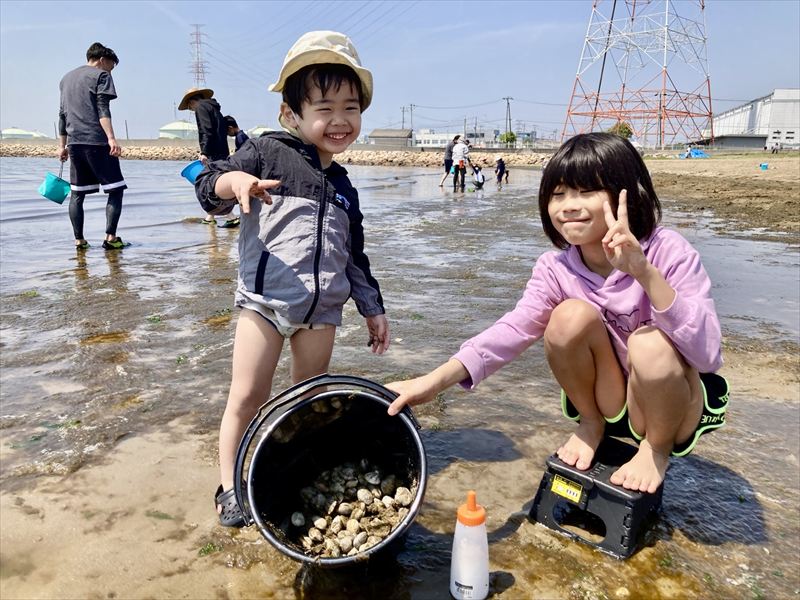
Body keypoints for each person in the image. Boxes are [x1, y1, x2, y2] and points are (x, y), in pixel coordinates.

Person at [386, 132, 729, 495]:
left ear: (628, 192)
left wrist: (644, 273)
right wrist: (434, 382)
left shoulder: (668, 250)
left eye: (586, 191)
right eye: (558, 193)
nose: (568, 206)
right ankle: (591, 425)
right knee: (567, 317)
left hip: (671, 406)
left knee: (649, 343)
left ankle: (654, 451)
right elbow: (512, 330)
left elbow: (707, 355)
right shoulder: (555, 268)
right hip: (611, 398)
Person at [195, 30, 390, 527]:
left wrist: (373, 307)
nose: (340, 119)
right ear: (292, 115)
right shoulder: (265, 152)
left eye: (351, 107)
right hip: (263, 304)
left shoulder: (344, 186)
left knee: (309, 397)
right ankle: (229, 486)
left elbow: (355, 257)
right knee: (246, 395)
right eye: (324, 107)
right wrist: (233, 181)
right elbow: (208, 186)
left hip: (322, 313)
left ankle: (294, 465)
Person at [58, 42, 128, 251]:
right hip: (96, 141)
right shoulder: (101, 76)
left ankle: (79, 241)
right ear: (101, 60)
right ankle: (111, 238)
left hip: (74, 143)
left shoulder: (66, 79)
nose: (110, 71)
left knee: (77, 194)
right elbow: (102, 108)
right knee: (116, 190)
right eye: (110, 66)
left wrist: (62, 146)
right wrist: (111, 139)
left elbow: (62, 114)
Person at [178, 87, 236, 227]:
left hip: (213, 153)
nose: (192, 110)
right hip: (222, 152)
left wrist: (204, 152)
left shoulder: (201, 108)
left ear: (192, 102)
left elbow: (206, 131)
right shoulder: (214, 108)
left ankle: (230, 216)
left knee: (208, 185)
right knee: (213, 183)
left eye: (190, 107)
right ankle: (211, 217)